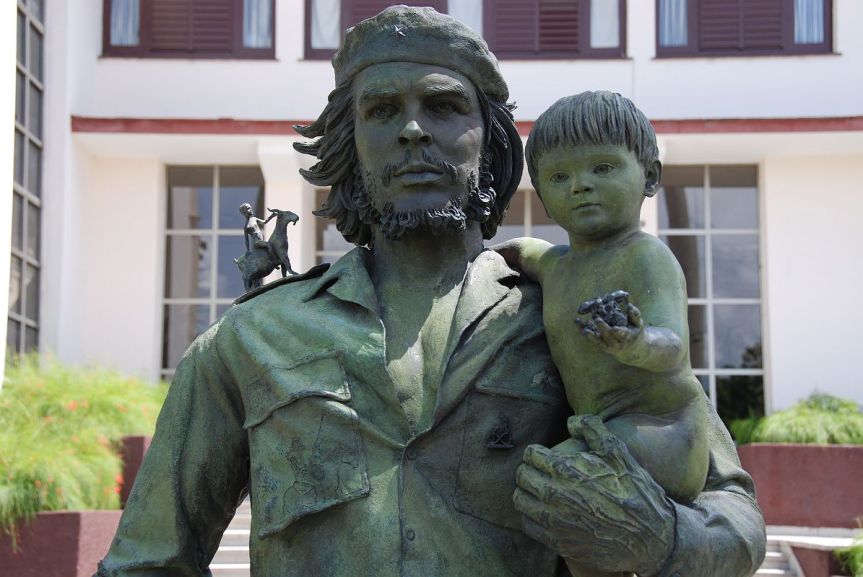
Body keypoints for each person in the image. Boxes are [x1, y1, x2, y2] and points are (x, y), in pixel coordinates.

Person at [95, 7, 765, 577]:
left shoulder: (574, 310)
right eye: (383, 111)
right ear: (352, 145)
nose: (413, 130)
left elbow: (732, 513)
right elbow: (148, 560)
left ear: (490, 142)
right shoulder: (250, 339)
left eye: (443, 106)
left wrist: (663, 539)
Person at [497, 92, 709, 515]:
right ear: (541, 196)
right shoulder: (555, 265)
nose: (580, 185)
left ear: (650, 176)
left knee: (552, 481)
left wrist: (636, 343)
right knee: (542, 493)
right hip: (601, 431)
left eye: (602, 168)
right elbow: (522, 251)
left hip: (663, 432)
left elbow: (672, 345)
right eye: (559, 177)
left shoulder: (645, 256)